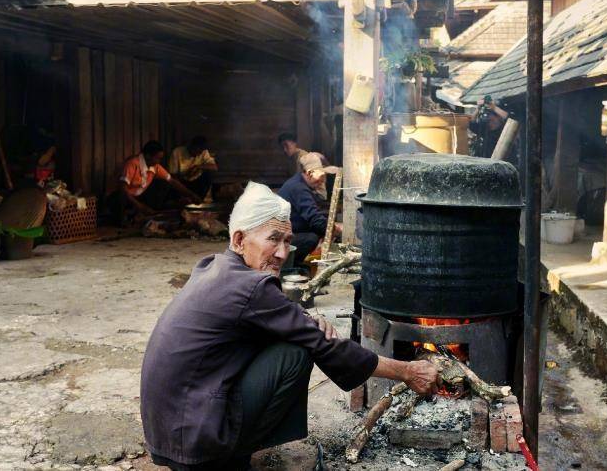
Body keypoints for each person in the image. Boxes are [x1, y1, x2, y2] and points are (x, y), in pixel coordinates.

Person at [140, 182, 440, 471]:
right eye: (273, 239)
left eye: (287, 241)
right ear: (239, 240)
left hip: (170, 436)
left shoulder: (213, 266)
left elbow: (266, 316)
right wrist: (408, 371)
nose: (284, 253)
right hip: (197, 444)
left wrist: (301, 319)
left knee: (292, 336)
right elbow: (324, 345)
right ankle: (230, 457)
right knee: (297, 350)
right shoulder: (251, 287)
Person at [112, 140, 200, 224]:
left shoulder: (155, 167)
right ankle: (127, 216)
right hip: (124, 198)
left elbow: (172, 181)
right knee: (120, 199)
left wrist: (191, 195)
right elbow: (123, 190)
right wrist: (140, 206)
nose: (159, 161)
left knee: (163, 184)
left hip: (138, 198)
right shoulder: (132, 164)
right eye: (158, 158)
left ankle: (144, 213)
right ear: (148, 156)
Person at [277, 153, 341, 265]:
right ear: (310, 173)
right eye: (321, 175)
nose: (323, 180)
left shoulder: (301, 183)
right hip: (281, 238)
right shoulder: (298, 188)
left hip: (291, 231)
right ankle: (292, 266)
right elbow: (315, 219)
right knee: (311, 238)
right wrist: (335, 229)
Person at [170, 136, 218, 200]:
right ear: (191, 146)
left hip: (196, 183)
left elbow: (214, 167)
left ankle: (199, 199)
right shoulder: (177, 152)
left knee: (208, 175)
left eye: (200, 152)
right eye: (196, 150)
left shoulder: (203, 152)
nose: (198, 154)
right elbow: (173, 176)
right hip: (182, 183)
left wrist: (197, 167)